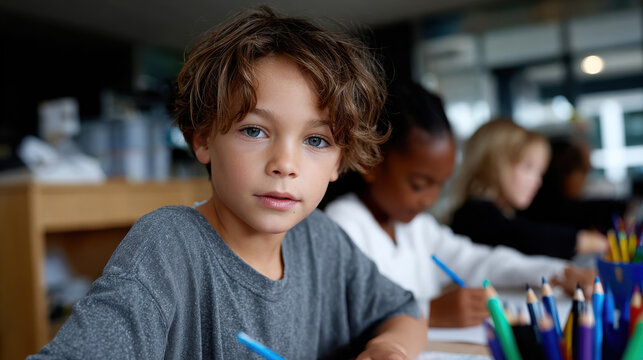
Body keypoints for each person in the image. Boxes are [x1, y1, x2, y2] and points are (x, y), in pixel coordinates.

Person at [29, 7, 427, 360]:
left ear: (338, 160)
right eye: (254, 131)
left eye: (316, 140)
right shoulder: (168, 248)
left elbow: (403, 312)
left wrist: (388, 348)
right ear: (202, 138)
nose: (285, 164)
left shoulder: (321, 240)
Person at [323, 83, 595, 328]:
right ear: (370, 162)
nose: (429, 199)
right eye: (419, 184)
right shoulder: (342, 225)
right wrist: (429, 312)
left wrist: (557, 273)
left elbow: (478, 260)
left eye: (440, 185)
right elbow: (347, 313)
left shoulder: (417, 226)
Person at [448, 119, 607, 259]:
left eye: (540, 172)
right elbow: (526, 237)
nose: (537, 182)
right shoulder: (473, 216)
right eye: (528, 168)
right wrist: (586, 241)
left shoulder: (504, 211)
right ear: (495, 164)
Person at [519, 137, 627, 233]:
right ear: (565, 173)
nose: (584, 181)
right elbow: (580, 211)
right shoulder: (548, 209)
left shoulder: (555, 203)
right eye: (583, 172)